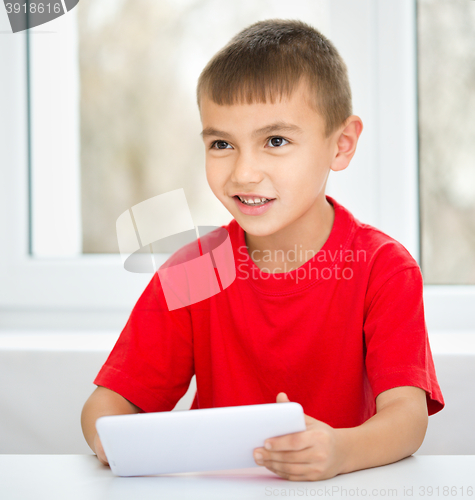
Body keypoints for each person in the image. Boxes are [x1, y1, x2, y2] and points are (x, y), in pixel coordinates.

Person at [81, 18, 444, 481]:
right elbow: (107, 404)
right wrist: (110, 438)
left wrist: (340, 450)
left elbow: (407, 420)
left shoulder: (382, 268)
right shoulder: (196, 270)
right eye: (221, 143)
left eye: (275, 141)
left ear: (342, 144)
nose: (244, 172)